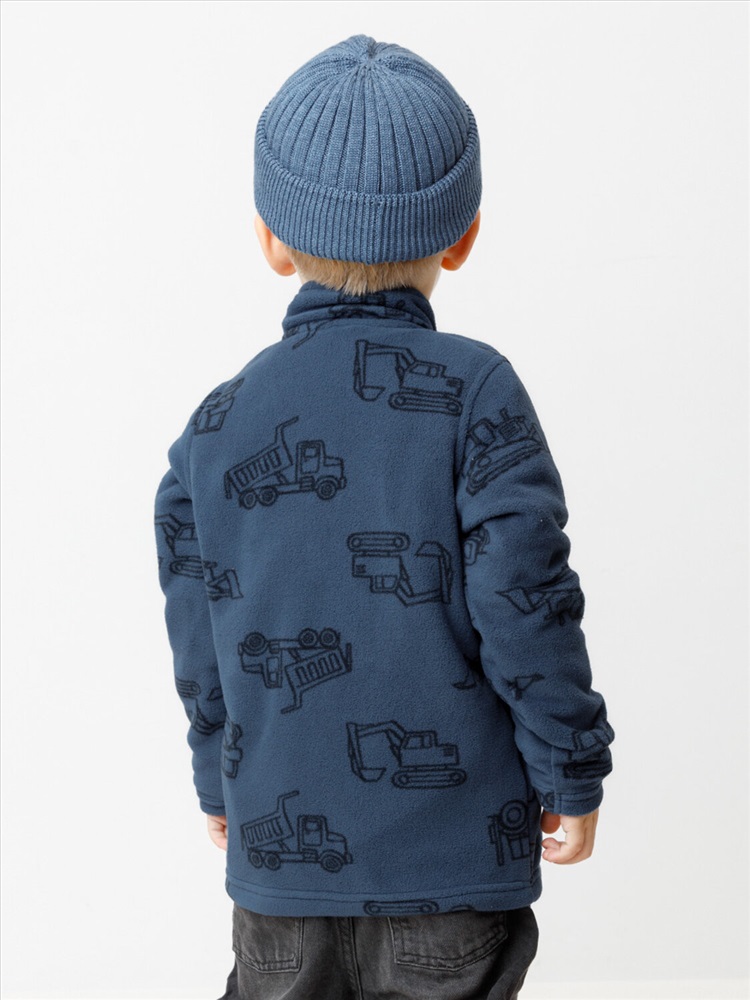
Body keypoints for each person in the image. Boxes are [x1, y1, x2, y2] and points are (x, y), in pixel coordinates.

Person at [154, 34, 615, 1000]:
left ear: (270, 239)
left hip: (280, 881)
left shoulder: (215, 426)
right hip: (453, 870)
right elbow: (526, 597)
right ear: (463, 236)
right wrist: (570, 763)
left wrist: (213, 777)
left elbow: (200, 638)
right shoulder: (479, 394)